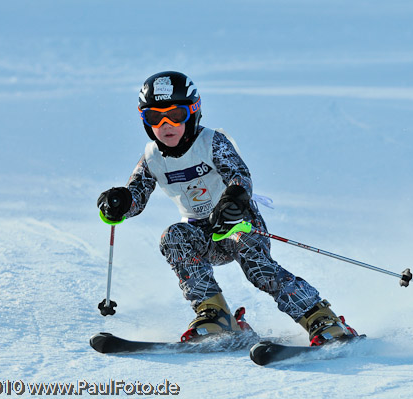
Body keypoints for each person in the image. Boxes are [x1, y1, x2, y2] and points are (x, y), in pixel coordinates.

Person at [97, 71, 359, 346]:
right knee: (172, 237)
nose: (165, 125)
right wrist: (119, 203)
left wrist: (233, 200)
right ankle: (215, 314)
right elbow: (136, 195)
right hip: (202, 235)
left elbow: (239, 175)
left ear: (193, 112)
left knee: (260, 271)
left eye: (175, 115)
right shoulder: (152, 157)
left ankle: (321, 318)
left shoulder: (211, 143)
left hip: (236, 222)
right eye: (154, 117)